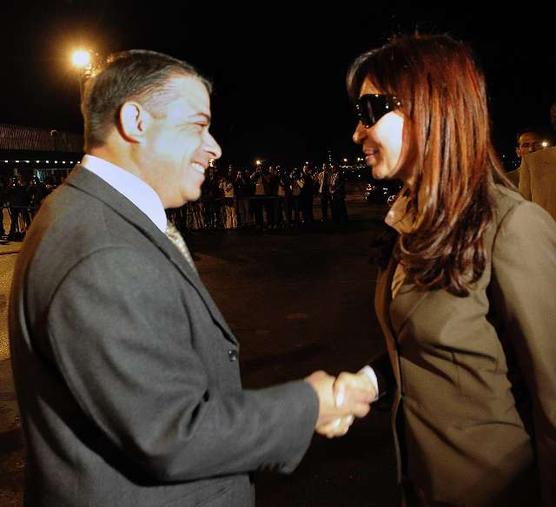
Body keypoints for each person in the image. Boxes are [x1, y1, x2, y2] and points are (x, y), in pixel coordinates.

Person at [8, 50, 375, 507]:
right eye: (197, 126)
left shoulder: (95, 216)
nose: (215, 147)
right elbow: (169, 434)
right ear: (135, 122)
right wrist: (309, 405)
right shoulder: (104, 251)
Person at [334, 34, 556, 507]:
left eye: (370, 112)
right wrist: (369, 382)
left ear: (430, 109)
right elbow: (435, 347)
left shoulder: (512, 229)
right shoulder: (410, 222)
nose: (358, 133)